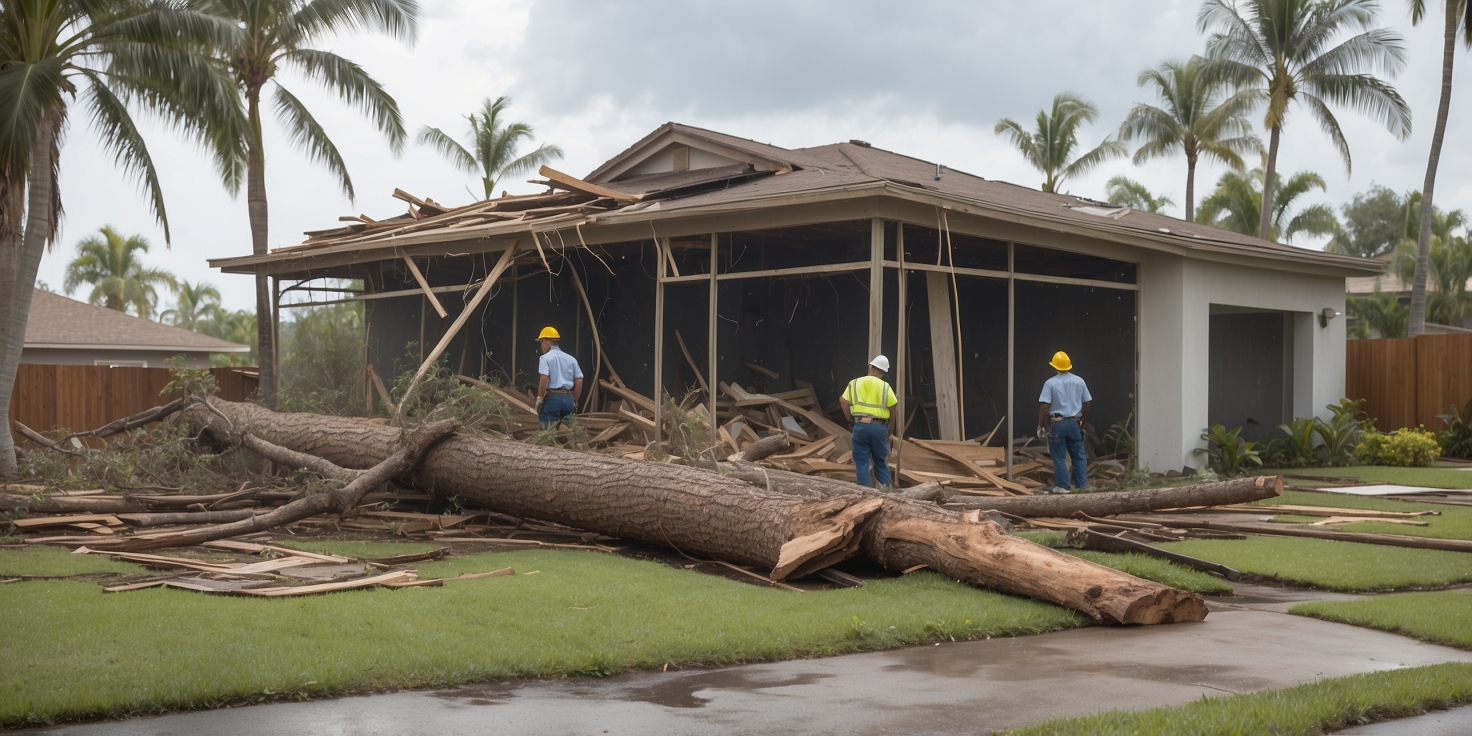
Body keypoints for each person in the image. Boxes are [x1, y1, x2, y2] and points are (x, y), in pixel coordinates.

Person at [839, 355, 898, 489]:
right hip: (879, 427)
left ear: (870, 367)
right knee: (880, 462)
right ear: (882, 373)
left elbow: (843, 401)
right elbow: (893, 407)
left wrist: (850, 421)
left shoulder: (853, 383)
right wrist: (891, 428)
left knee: (861, 463)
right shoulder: (885, 386)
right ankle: (886, 494)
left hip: (860, 426)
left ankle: (865, 495)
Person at [1037, 351, 1092, 493]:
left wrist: (1040, 425)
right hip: (1074, 423)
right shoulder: (1079, 381)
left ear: (1054, 366)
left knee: (1059, 457)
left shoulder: (1050, 383)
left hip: (1058, 423)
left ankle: (1063, 487)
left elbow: (1044, 406)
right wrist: (1082, 419)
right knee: (1079, 457)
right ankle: (1082, 488)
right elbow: (1087, 403)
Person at [534, 326, 583, 429]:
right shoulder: (571, 359)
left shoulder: (545, 358)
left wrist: (539, 398)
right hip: (569, 399)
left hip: (553, 399)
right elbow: (579, 379)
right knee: (567, 432)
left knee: (547, 432)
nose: (541, 345)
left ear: (547, 341)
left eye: (541, 341)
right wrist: (574, 400)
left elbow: (544, 377)